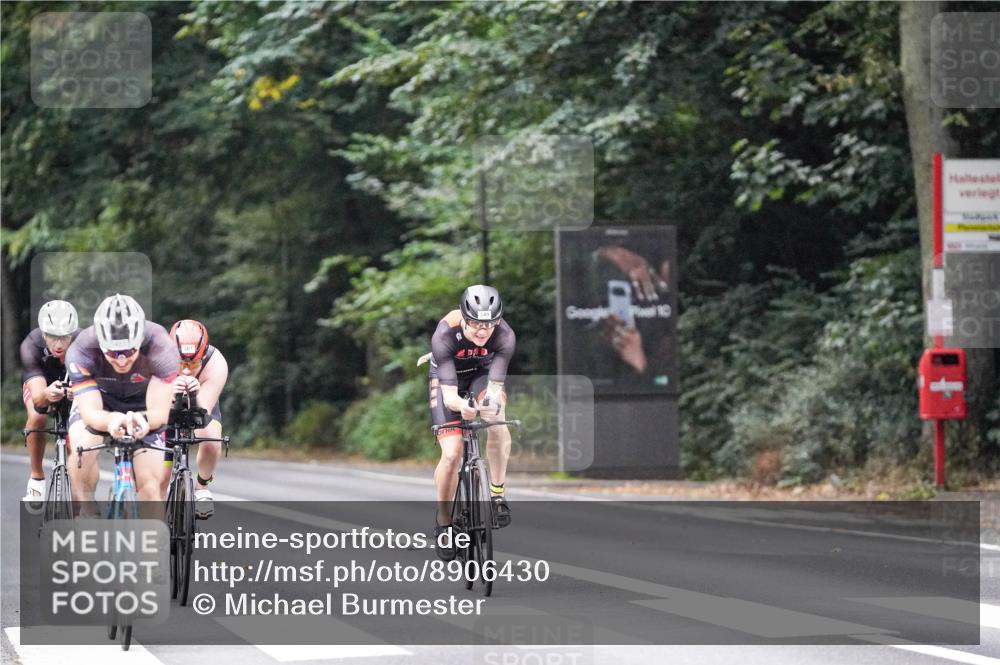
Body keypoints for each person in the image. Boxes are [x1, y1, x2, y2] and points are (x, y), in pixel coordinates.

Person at [424, 285, 516, 560]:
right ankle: (444, 522)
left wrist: (489, 404)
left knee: (497, 419)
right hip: (448, 376)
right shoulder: (444, 333)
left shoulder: (505, 336)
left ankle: (497, 494)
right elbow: (450, 396)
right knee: (452, 453)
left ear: (497, 321)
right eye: (475, 323)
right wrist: (463, 406)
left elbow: (495, 385)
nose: (481, 331)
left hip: (482, 374)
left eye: (488, 324)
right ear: (464, 318)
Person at [66, 294, 179, 511]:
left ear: (140, 342)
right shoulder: (82, 350)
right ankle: (87, 511)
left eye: (128, 351)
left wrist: (145, 420)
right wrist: (111, 419)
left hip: (143, 404)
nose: (121, 359)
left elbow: (159, 413)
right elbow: (90, 412)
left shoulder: (161, 346)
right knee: (82, 449)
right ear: (100, 343)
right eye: (112, 352)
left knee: (150, 487)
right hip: (100, 401)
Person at [162, 319, 229, 519]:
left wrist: (195, 394)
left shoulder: (215, 362)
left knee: (210, 442)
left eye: (192, 363)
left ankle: (201, 487)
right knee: (160, 478)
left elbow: (202, 414)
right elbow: (152, 406)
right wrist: (169, 394)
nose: (186, 370)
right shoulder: (158, 358)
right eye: (181, 363)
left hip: (202, 401)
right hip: (165, 405)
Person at [20, 300, 80, 500]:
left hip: (75, 384)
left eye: (64, 337)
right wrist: (47, 394)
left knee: (79, 431)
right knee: (37, 417)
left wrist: (80, 391)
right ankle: (36, 479)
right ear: (44, 334)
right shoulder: (31, 345)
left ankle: (80, 485)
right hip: (41, 382)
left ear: (72, 333)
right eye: (53, 337)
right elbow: (38, 399)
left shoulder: (84, 343)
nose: (59, 344)